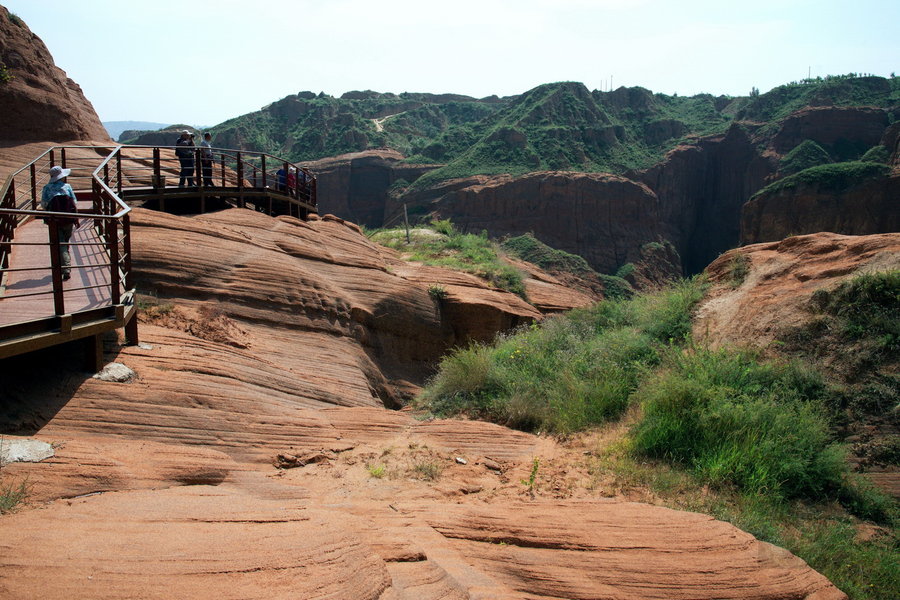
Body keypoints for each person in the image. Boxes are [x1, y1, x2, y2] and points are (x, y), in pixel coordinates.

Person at [40, 165, 79, 281]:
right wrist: (76, 218)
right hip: (68, 219)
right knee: (64, 242)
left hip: (54, 220)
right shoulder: (67, 186)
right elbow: (74, 202)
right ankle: (65, 266)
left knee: (60, 244)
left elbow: (44, 204)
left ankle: (66, 268)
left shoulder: (47, 188)